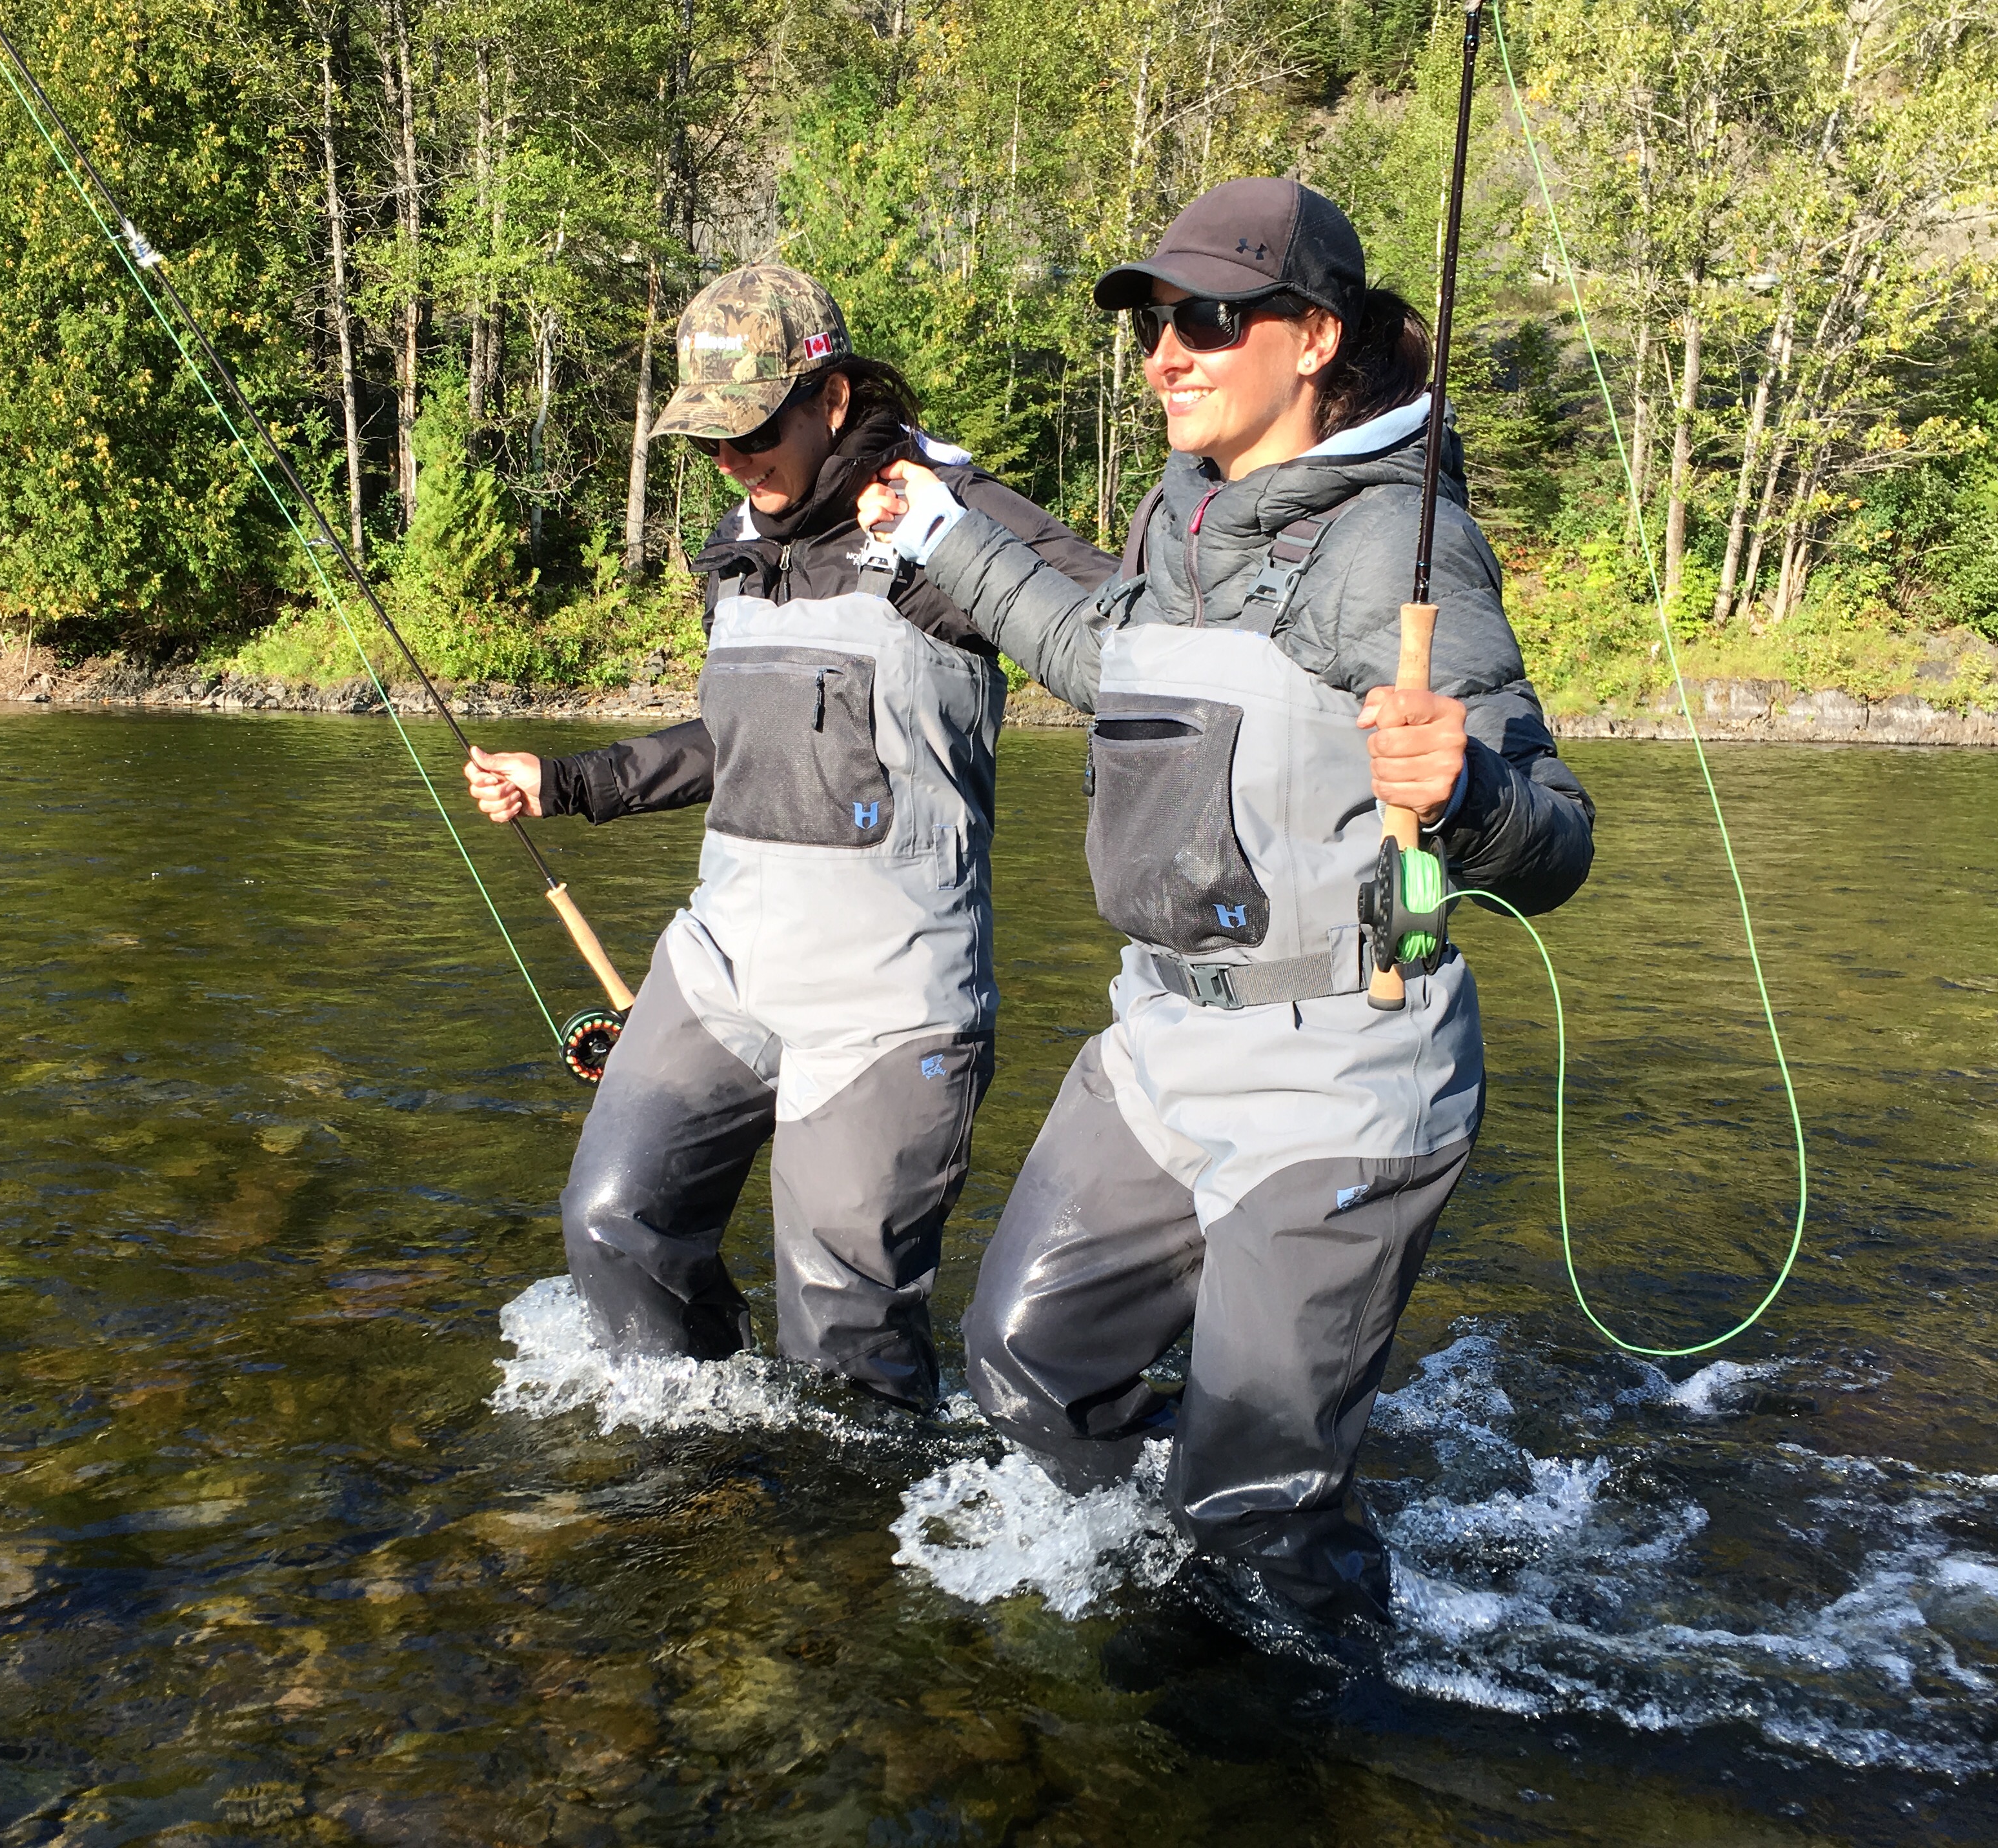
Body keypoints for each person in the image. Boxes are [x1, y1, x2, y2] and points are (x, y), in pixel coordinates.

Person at [858, 179, 1596, 1627]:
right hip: (1164, 1046)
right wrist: (941, 539)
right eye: (1153, 325)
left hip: (1343, 1076)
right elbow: (1098, 648)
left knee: (1253, 1505)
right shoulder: (1179, 515)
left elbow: (1559, 842)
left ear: (1313, 337)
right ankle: (1177, 1568)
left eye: (1206, 320)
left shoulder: (1402, 546)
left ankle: (1303, 1678)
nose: (1165, 356)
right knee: (1021, 1362)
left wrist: (1473, 798)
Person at [466, 263, 1111, 1411]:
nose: (735, 462)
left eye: (754, 429)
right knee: (616, 1227)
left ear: (833, 399)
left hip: (890, 999)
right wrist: (564, 781)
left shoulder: (944, 514)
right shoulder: (738, 546)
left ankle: (850, 1561)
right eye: (710, 441)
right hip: (722, 967)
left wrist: (953, 542)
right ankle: (704, 1498)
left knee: (842, 1339)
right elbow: (740, 737)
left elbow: (1135, 652)